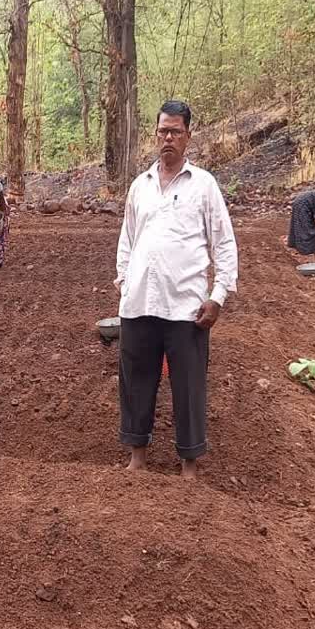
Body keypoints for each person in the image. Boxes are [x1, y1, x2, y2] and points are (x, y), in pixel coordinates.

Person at [115, 100, 239, 478]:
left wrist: (217, 296)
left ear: (188, 136)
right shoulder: (141, 185)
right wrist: (123, 280)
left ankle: (189, 463)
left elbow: (224, 243)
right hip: (139, 303)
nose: (168, 138)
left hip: (186, 305)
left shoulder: (203, 185)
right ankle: (137, 457)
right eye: (163, 131)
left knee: (188, 385)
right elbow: (128, 238)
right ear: (155, 134)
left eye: (176, 132)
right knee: (136, 380)